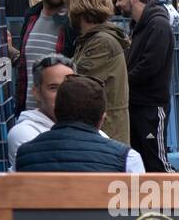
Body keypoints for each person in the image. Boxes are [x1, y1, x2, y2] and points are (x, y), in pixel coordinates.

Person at [15, 73, 144, 173]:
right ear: (101, 119)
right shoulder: (127, 158)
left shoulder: (24, 155)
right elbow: (140, 205)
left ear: (57, 111)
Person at [115, 0, 174, 172]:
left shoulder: (158, 25)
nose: (117, 5)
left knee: (156, 161)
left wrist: (123, 81)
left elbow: (150, 66)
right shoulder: (139, 26)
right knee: (142, 161)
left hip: (150, 106)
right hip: (137, 104)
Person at [66, 0, 131, 145]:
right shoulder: (93, 39)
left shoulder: (100, 42)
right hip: (103, 133)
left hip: (105, 135)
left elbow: (76, 84)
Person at [16, 0, 75, 115]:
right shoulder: (31, 17)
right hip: (28, 113)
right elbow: (25, 66)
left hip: (62, 114)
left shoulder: (73, 22)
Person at [7, 54, 74, 169]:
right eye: (53, 88)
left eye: (69, 87)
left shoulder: (91, 129)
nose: (64, 94)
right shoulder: (24, 132)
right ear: (36, 92)